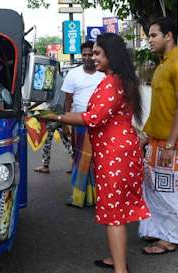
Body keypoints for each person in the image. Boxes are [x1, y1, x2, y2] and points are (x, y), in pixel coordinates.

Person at [39, 33, 150, 273]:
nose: (93, 58)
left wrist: (56, 117)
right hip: (119, 151)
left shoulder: (112, 83)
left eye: (98, 53)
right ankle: (116, 258)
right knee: (117, 208)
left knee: (114, 213)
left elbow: (92, 118)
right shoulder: (119, 80)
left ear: (112, 55)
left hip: (115, 154)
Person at [137, 17, 178, 254]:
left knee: (172, 191)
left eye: (153, 35)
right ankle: (159, 231)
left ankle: (174, 238)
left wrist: (171, 142)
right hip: (156, 139)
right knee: (154, 189)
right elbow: (160, 107)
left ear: (168, 36)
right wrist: (146, 135)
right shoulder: (163, 64)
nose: (149, 40)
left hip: (173, 142)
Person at [61, 41, 105, 207]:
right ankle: (78, 196)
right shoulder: (73, 74)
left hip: (99, 124)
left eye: (91, 54)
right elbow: (67, 101)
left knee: (97, 159)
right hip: (78, 122)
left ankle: (98, 195)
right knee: (80, 159)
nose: (87, 58)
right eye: (84, 55)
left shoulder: (104, 75)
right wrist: (66, 123)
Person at [34, 73, 74, 174]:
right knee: (66, 140)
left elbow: (46, 99)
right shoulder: (63, 80)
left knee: (47, 140)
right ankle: (75, 163)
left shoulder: (50, 80)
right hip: (61, 113)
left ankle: (45, 165)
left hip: (52, 114)